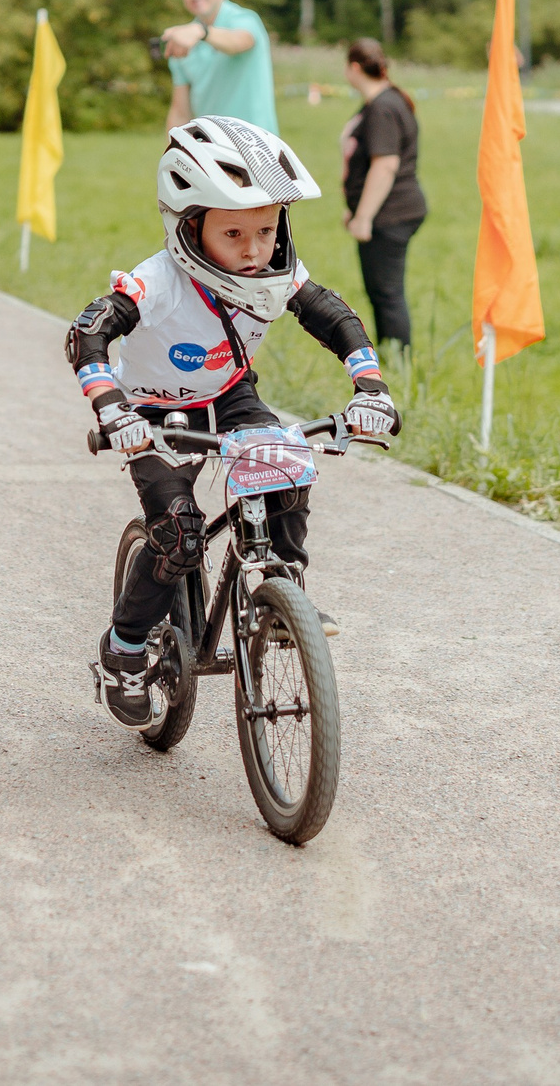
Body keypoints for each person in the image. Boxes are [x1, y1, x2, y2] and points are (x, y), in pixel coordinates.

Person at [68, 116, 400, 726]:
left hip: (227, 392)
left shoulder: (274, 272)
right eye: (234, 233)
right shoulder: (157, 282)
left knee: (285, 465)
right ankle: (125, 649)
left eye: (268, 230)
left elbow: (335, 318)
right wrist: (112, 409)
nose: (254, 250)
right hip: (151, 410)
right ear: (188, 229)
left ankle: (284, 589)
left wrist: (370, 386)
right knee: (179, 533)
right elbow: (86, 336)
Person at [340, 39, 427, 354]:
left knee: (387, 293)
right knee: (380, 291)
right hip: (387, 210)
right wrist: (355, 210)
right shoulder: (382, 102)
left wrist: (364, 216)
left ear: (354, 68)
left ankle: (398, 360)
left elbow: (385, 165)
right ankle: (389, 357)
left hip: (391, 213)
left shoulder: (383, 107)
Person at [160, 0, 276, 135]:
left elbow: (238, 42)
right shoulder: (183, 40)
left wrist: (201, 32)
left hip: (258, 150)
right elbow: (180, 112)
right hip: (212, 153)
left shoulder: (245, 20)